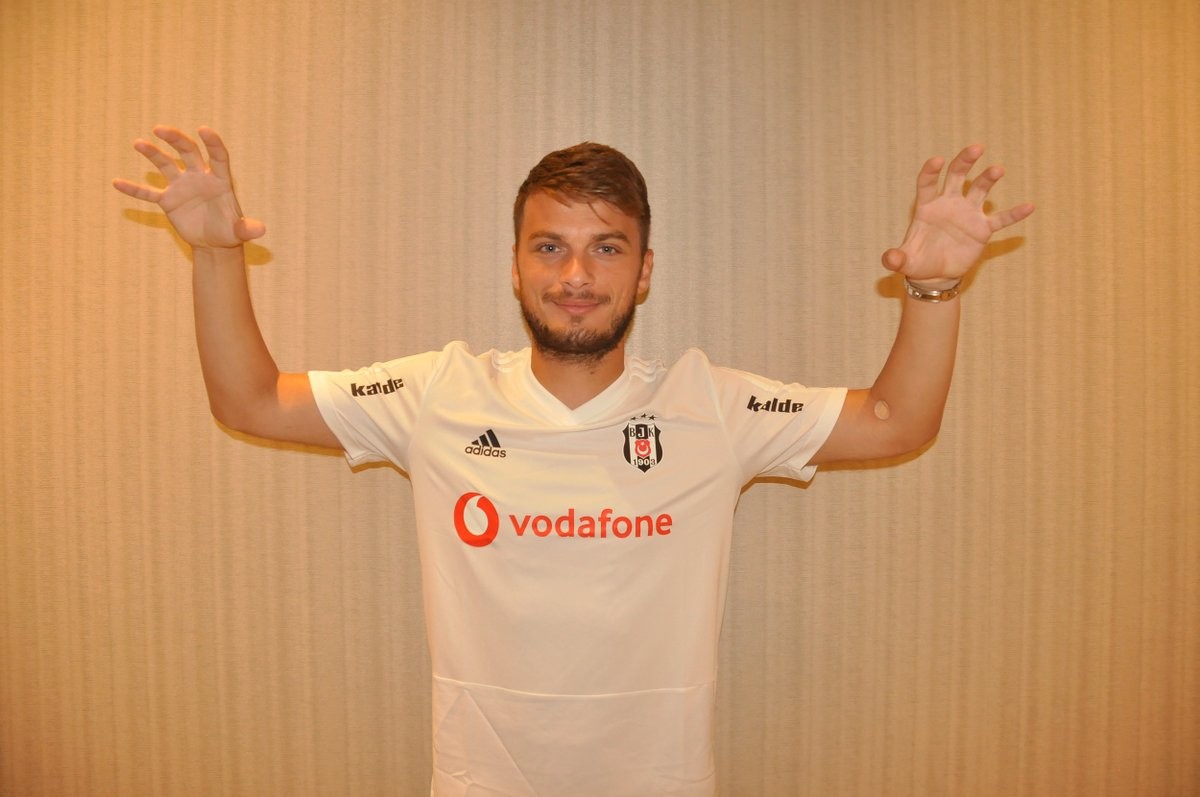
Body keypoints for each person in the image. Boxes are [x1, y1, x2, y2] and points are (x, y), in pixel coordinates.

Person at [113, 127, 1032, 796]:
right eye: (550, 247)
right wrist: (214, 257)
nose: (576, 277)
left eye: (606, 249)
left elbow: (895, 421)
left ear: (645, 271)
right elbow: (251, 400)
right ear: (515, 267)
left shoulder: (711, 406)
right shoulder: (438, 393)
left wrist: (934, 285)